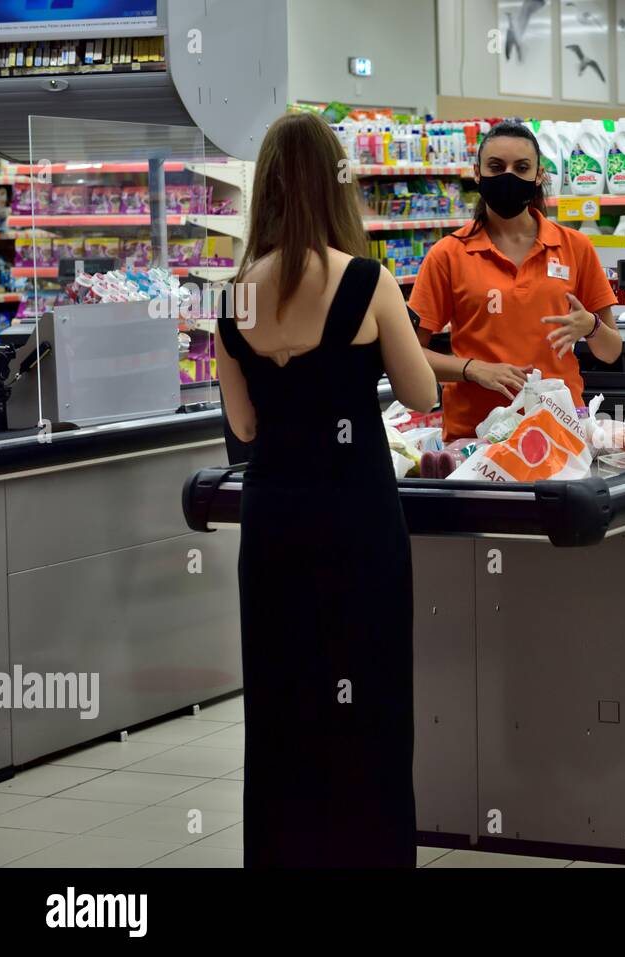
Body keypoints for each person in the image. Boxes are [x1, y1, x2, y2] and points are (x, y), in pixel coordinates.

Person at [215, 111, 438, 867]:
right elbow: (420, 393)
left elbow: (242, 428)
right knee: (366, 698)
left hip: (274, 519)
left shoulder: (234, 297)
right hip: (357, 521)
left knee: (283, 704)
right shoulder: (369, 282)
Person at [408, 121, 623, 441]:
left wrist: (590, 325)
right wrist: (471, 369)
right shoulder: (448, 254)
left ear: (538, 176)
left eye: (521, 167)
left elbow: (611, 351)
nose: (508, 175)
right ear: (477, 173)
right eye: (496, 166)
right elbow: (411, 353)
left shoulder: (575, 247)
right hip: (477, 437)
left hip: (560, 431)